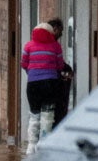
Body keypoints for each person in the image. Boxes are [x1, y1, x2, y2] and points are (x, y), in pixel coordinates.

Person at [20, 22, 65, 154]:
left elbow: (23, 63)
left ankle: (31, 145)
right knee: (48, 115)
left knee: (34, 114)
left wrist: (32, 73)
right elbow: (60, 65)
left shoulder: (28, 45)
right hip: (50, 83)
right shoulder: (55, 46)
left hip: (33, 84)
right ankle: (43, 144)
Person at [46, 17, 74, 126]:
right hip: (52, 81)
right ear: (55, 29)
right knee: (57, 109)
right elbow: (59, 64)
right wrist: (68, 70)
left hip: (36, 81)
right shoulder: (54, 45)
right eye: (61, 31)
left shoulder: (34, 43)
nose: (61, 35)